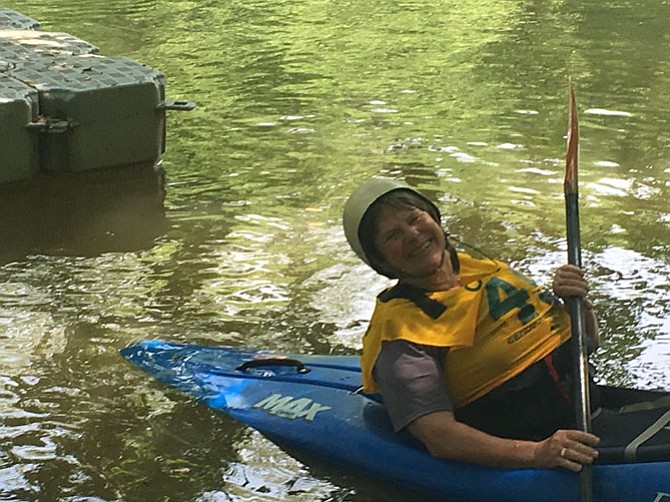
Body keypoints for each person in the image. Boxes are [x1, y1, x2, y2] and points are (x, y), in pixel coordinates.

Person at [343, 177, 601, 472]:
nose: (413, 234)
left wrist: (576, 305)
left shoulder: (484, 271)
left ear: (434, 219)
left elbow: (588, 344)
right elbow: (440, 438)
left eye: (415, 219)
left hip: (587, 415)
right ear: (381, 260)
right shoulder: (399, 337)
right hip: (532, 449)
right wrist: (538, 454)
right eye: (392, 236)